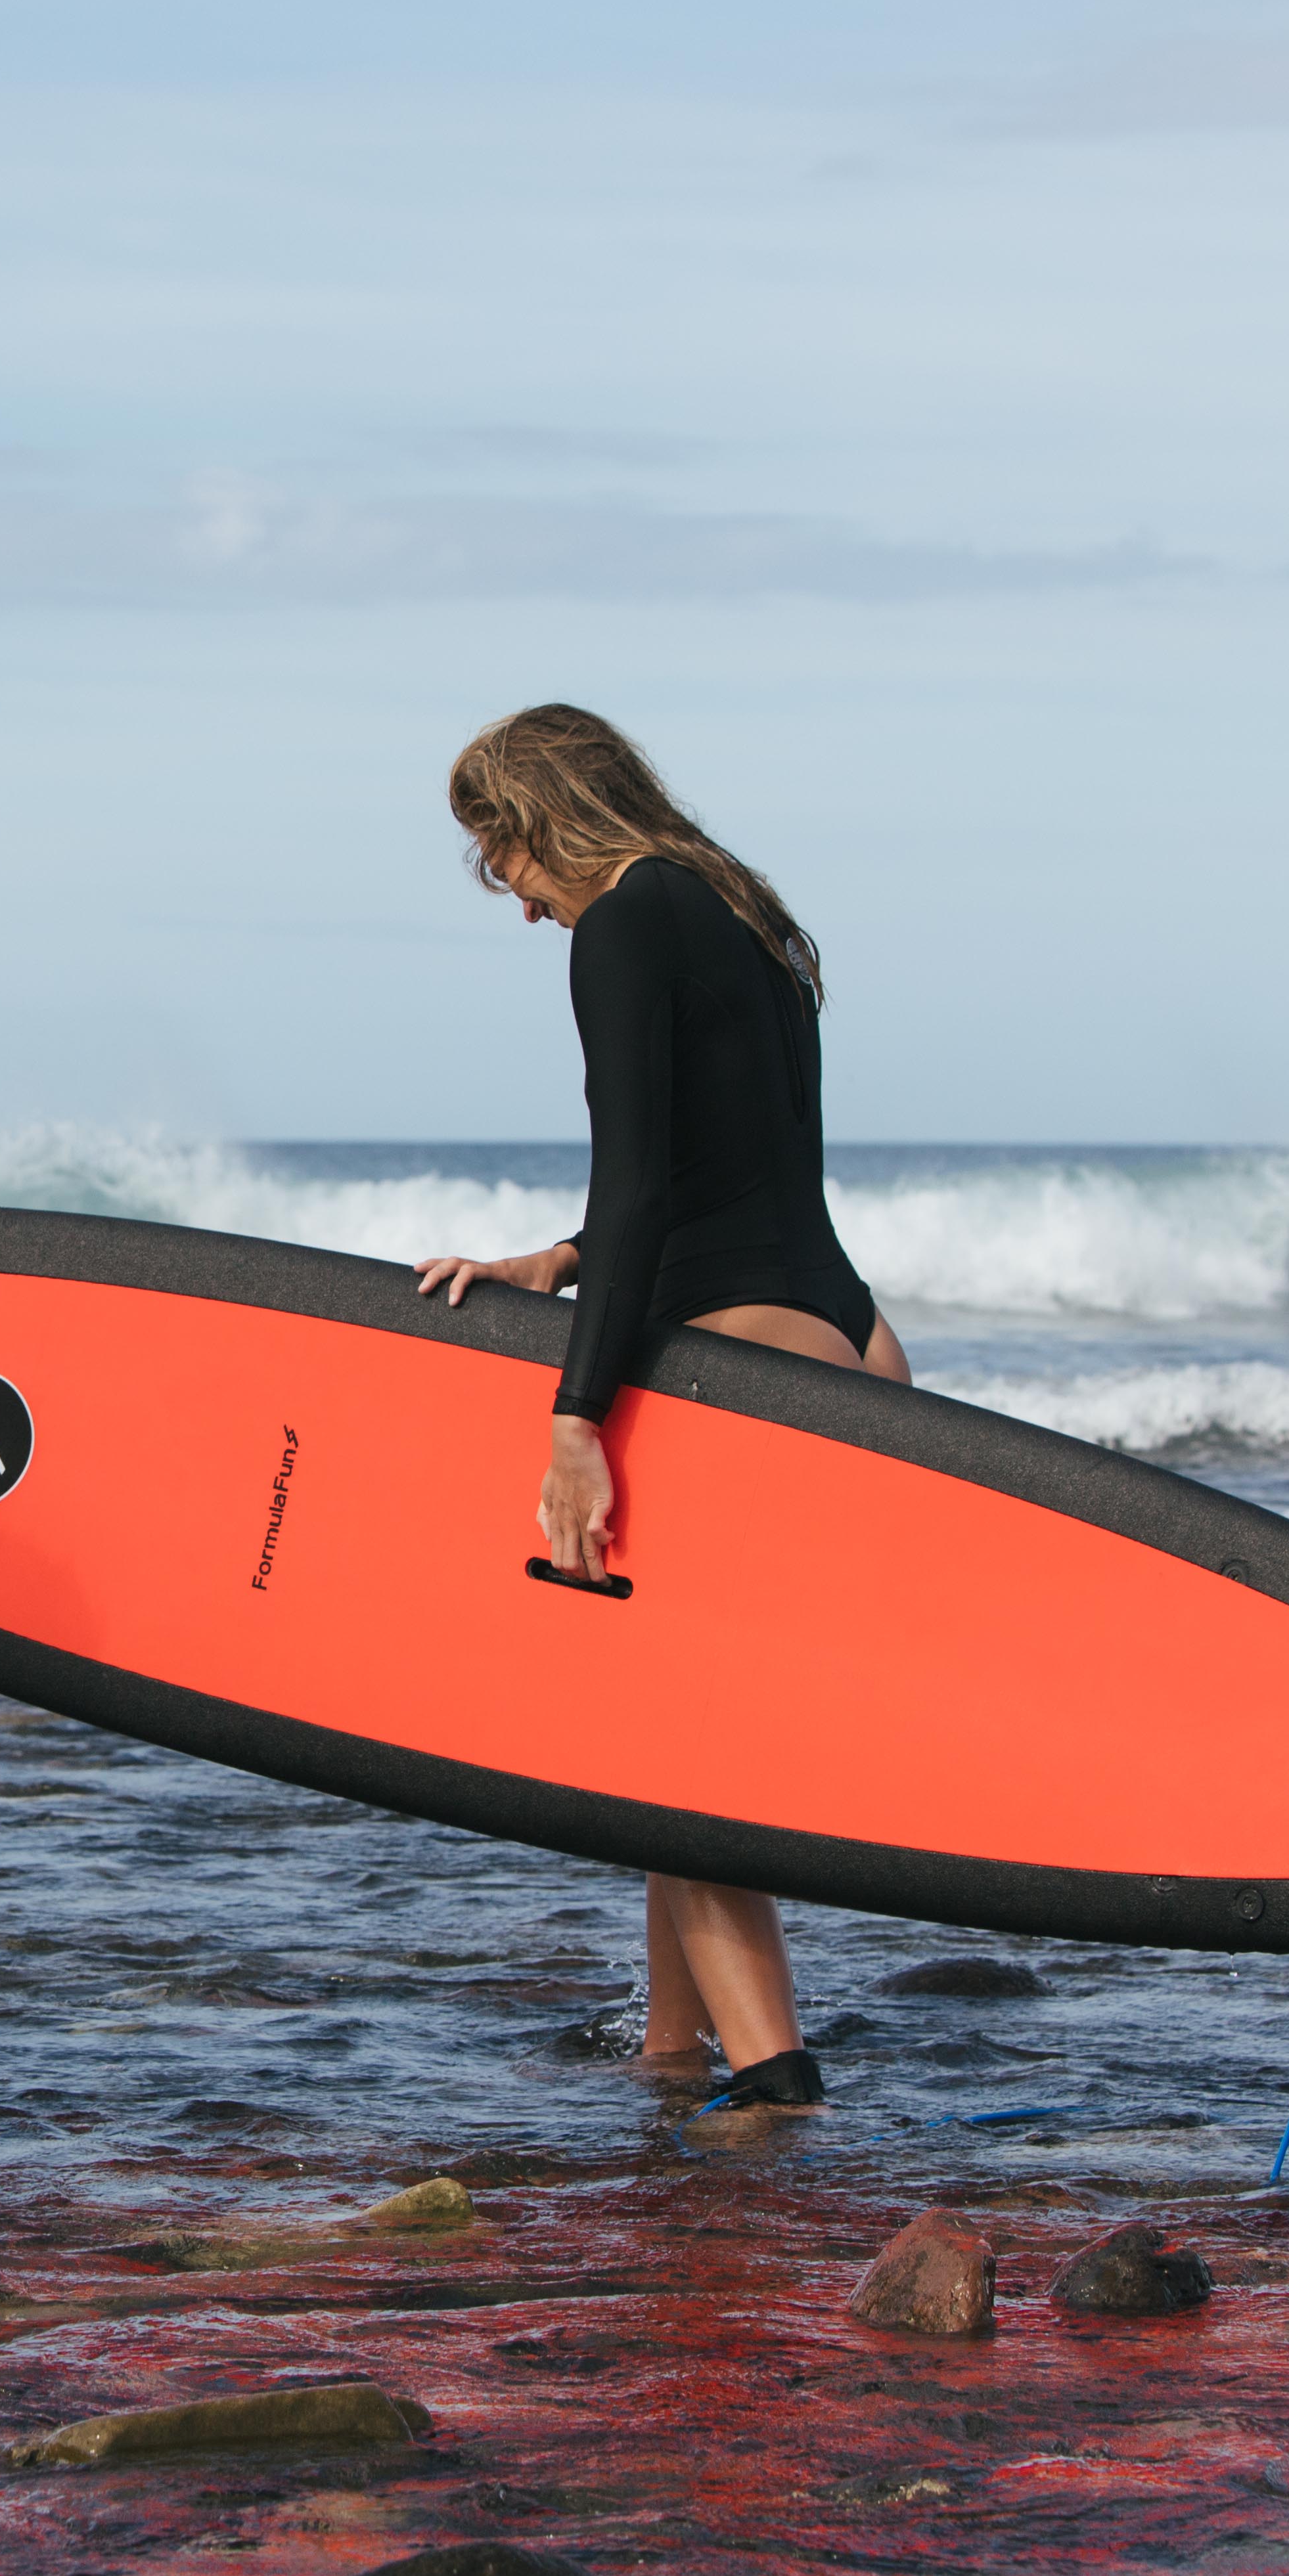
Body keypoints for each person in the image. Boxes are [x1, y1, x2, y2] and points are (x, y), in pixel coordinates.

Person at [417, 702, 911, 2110]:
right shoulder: (735, 902)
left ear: (541, 815)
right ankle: (670, 2049)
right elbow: (722, 1163)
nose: (510, 896)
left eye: (497, 855)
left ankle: (771, 2084)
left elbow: (640, 1177)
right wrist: (560, 1259)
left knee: (670, 1748)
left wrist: (576, 1416)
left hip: (739, 1358)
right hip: (840, 1331)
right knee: (701, 1711)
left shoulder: (621, 922)